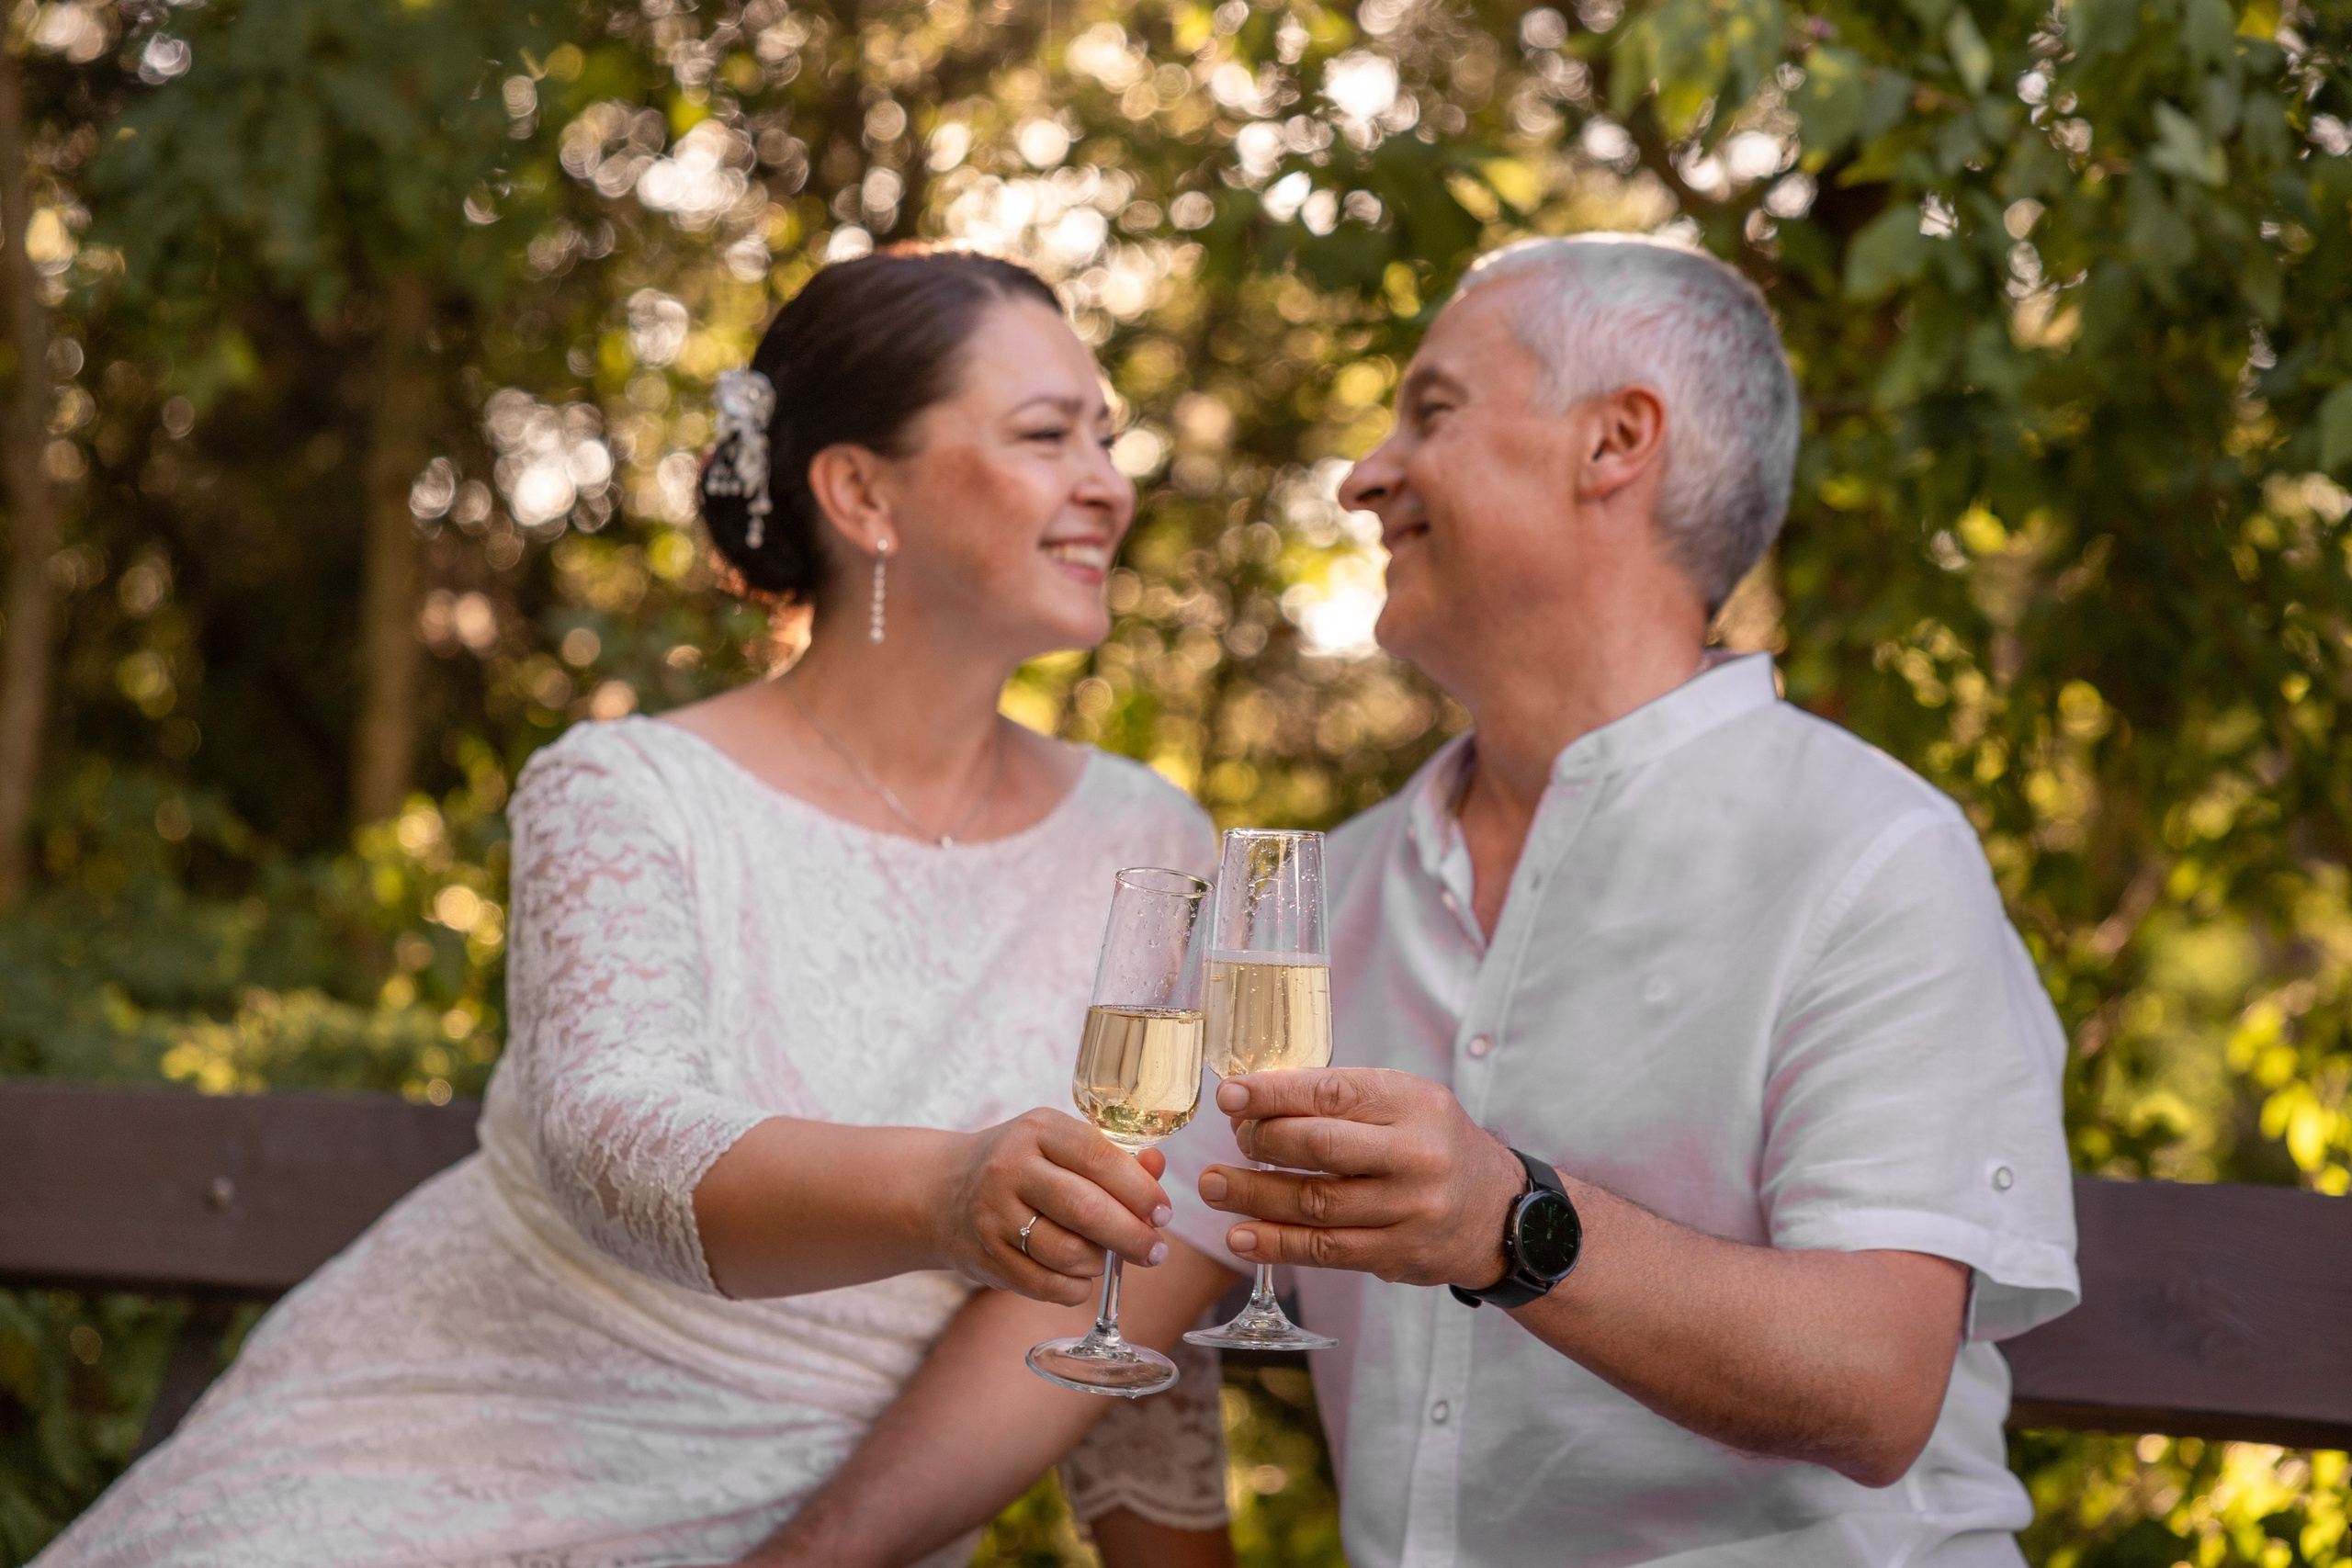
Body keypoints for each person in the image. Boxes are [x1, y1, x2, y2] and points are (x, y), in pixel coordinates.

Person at [768, 233, 2081, 1568]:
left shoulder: (1871, 855)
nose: (1363, 476)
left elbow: (1877, 1385)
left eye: (1433, 411)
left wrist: (1509, 1223)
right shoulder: (1316, 895)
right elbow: (1116, 1282)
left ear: (1614, 443)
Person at [33, 246, 1235, 1568]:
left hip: (831, 1528)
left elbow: (1134, 1285)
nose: (1109, 487)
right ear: (859, 494)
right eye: (1048, 436)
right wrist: (947, 1190)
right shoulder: (626, 792)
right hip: (421, 1465)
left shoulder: (1151, 839)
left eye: (1107, 440)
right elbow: (610, 1137)